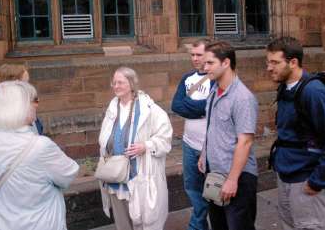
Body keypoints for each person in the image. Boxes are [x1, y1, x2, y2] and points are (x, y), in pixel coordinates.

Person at [0, 80, 79, 230]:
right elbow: (68, 173)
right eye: (34, 100)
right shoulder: (40, 147)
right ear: (20, 106)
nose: (37, 105)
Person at [266, 37, 325, 230]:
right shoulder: (285, 88)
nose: (269, 68)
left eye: (275, 62)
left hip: (306, 177)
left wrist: (318, 182)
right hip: (286, 172)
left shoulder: (314, 92)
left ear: (293, 62)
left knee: (308, 226)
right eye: (268, 62)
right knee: (289, 224)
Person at [98, 67, 173, 230]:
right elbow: (104, 139)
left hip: (139, 176)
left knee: (143, 221)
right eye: (114, 82)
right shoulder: (112, 109)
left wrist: (146, 146)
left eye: (121, 82)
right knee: (122, 224)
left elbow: (165, 137)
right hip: (115, 177)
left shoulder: (149, 109)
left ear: (131, 84)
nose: (116, 86)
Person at [198, 41, 259, 230]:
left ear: (226, 63)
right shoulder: (214, 92)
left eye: (210, 63)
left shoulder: (242, 97)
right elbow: (213, 128)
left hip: (237, 179)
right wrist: (203, 153)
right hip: (215, 176)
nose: (204, 67)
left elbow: (245, 142)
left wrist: (232, 180)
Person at [171, 39, 213, 230]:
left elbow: (210, 107)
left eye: (199, 54)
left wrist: (199, 108)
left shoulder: (216, 78)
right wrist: (200, 108)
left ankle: (196, 226)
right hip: (189, 144)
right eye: (192, 55)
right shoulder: (187, 78)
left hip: (211, 146)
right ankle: (199, 226)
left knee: (214, 191)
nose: (195, 58)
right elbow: (176, 105)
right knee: (193, 189)